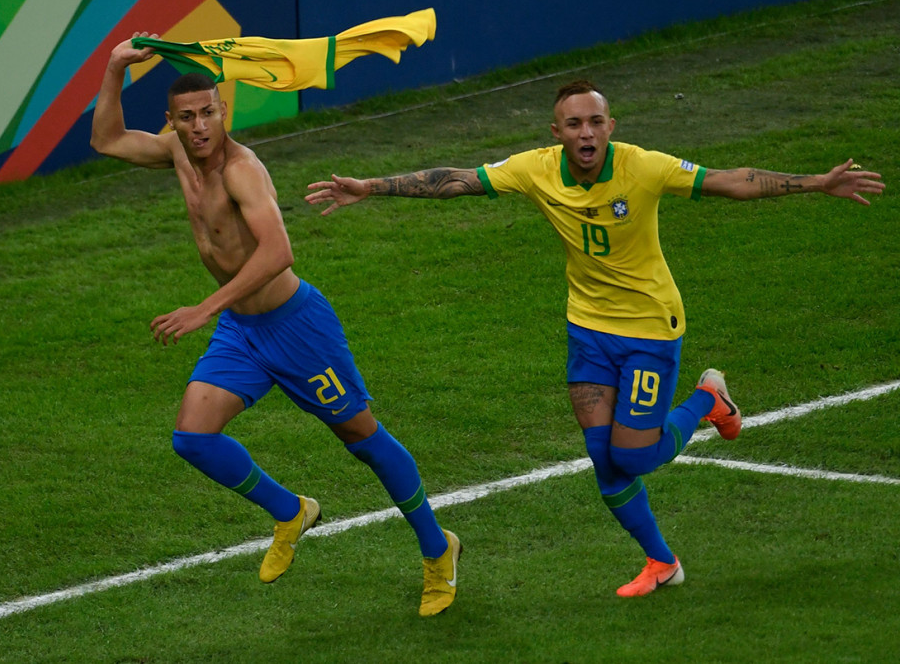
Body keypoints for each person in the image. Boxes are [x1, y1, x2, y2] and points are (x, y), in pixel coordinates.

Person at [305, 78, 885, 597]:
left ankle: (709, 398)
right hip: (588, 330)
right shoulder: (535, 169)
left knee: (635, 455)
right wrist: (370, 187)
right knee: (604, 461)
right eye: (575, 123)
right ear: (556, 133)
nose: (587, 132)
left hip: (650, 329)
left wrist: (817, 182)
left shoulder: (643, 167)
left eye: (596, 121)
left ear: (611, 127)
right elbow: (455, 181)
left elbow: (729, 182)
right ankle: (663, 562)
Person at [90, 34, 460, 616]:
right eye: (187, 118)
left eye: (208, 113)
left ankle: (438, 550)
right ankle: (291, 511)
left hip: (296, 328)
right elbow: (107, 139)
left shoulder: (242, 170)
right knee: (193, 438)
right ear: (173, 122)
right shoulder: (177, 153)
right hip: (242, 331)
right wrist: (114, 67)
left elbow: (278, 252)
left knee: (362, 439)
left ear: (223, 111)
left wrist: (203, 309)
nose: (199, 126)